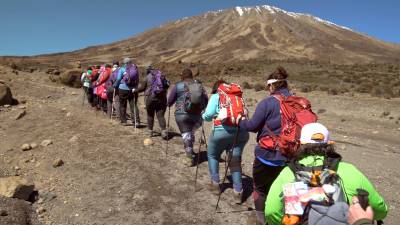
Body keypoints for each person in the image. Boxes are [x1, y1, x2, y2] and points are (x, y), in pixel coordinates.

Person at [264, 123, 388, 225]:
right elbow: (378, 208)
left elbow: (271, 211)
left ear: (301, 144)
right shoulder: (349, 171)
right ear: (329, 144)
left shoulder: (288, 173)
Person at [238, 66, 291, 224]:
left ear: (272, 85)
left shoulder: (267, 102)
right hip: (289, 155)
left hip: (267, 155)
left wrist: (241, 121)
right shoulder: (296, 101)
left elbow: (253, 126)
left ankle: (260, 219)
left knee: (260, 189)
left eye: (268, 86)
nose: (268, 89)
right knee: (284, 189)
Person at [202, 79, 249, 201]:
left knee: (212, 155)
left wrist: (203, 115)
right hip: (241, 132)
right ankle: (238, 192)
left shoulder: (217, 96)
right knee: (235, 160)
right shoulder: (238, 97)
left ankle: (216, 185)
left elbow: (208, 116)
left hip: (221, 132)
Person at [167, 68, 208, 166]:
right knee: (190, 133)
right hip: (197, 116)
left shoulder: (178, 85)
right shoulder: (199, 86)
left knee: (186, 134)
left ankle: (189, 157)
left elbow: (169, 101)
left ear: (183, 76)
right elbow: (206, 100)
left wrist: (169, 104)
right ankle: (190, 149)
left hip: (182, 115)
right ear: (191, 76)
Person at [137, 66, 170, 138]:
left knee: (150, 115)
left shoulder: (147, 77)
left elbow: (141, 88)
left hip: (150, 99)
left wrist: (135, 90)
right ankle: (164, 132)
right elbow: (167, 85)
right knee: (161, 116)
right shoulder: (162, 76)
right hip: (162, 99)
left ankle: (150, 132)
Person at [114, 58, 140, 126]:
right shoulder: (135, 68)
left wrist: (115, 85)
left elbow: (119, 78)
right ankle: (136, 121)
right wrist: (135, 87)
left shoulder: (122, 69)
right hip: (133, 89)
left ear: (124, 63)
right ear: (130, 62)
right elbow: (137, 79)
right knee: (133, 105)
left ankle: (124, 121)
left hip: (123, 89)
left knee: (122, 105)